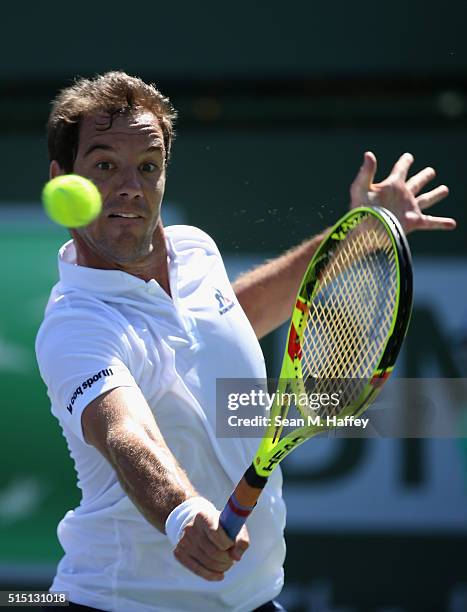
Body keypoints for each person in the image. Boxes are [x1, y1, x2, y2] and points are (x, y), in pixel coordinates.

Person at [35, 71, 455, 612]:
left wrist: (357, 236)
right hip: (122, 603)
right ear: (62, 177)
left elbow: (234, 315)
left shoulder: (195, 251)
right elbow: (124, 431)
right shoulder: (77, 324)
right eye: (104, 165)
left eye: (148, 167)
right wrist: (183, 511)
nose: (131, 187)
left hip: (254, 600)